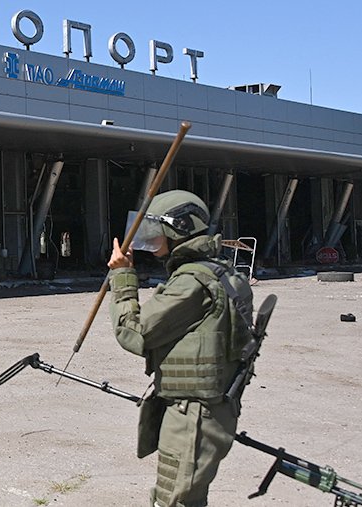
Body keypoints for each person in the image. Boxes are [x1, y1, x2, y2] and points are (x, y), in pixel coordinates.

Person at [107, 190, 254, 507]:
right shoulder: (222, 272)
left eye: (155, 230)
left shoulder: (192, 282)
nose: (149, 239)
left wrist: (122, 276)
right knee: (185, 498)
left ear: (178, 229)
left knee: (173, 501)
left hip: (193, 417)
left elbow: (134, 333)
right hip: (208, 411)